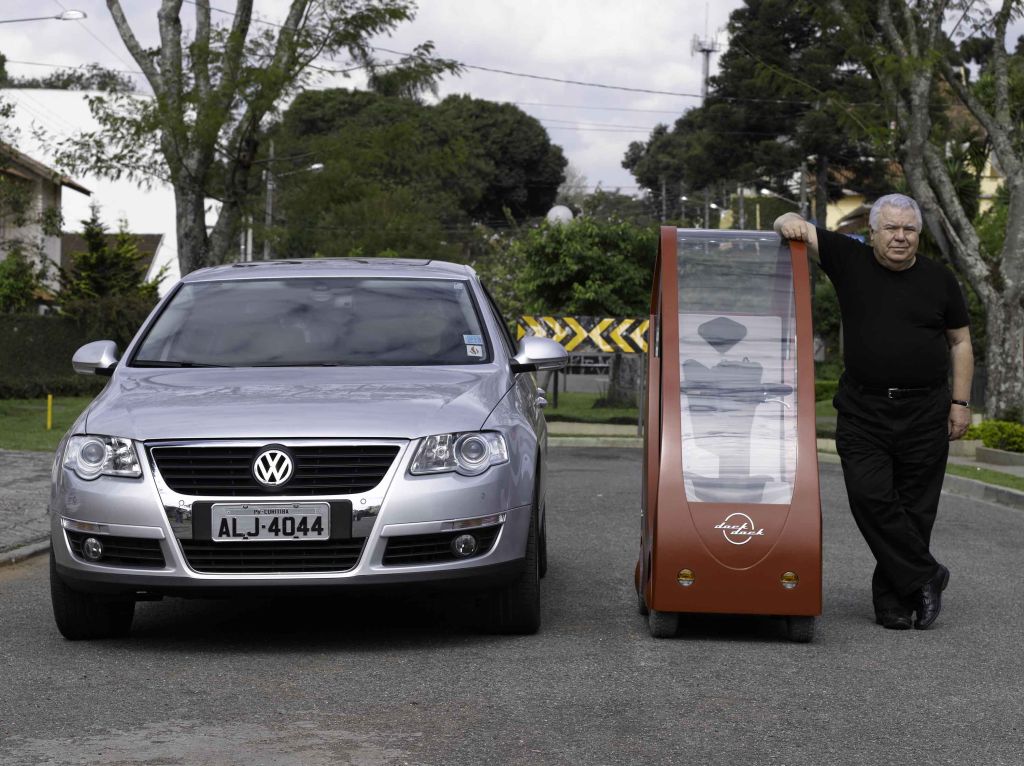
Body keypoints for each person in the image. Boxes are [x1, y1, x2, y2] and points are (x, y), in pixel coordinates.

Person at [775, 194, 974, 630]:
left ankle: (895, 603)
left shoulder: (940, 278)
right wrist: (788, 219)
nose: (901, 237)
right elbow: (792, 222)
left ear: (918, 235)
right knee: (870, 496)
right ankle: (927, 574)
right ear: (873, 230)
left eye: (909, 230)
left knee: (916, 509)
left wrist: (960, 403)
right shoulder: (849, 258)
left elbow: (960, 342)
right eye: (892, 228)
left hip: (926, 409)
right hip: (864, 408)